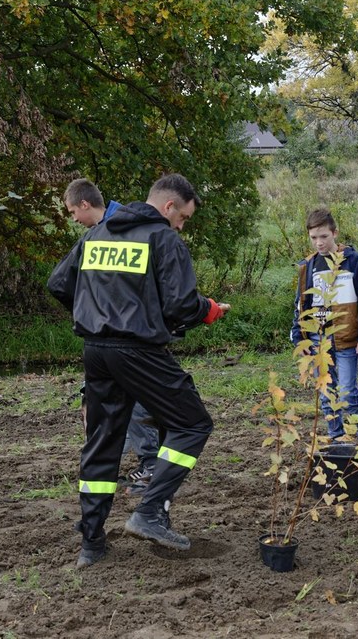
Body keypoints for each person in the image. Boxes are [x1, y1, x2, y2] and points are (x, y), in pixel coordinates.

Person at [48, 173, 230, 569]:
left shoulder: (97, 235)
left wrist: (96, 310)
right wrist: (210, 310)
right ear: (168, 206)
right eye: (183, 217)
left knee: (102, 441)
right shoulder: (163, 239)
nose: (181, 226)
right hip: (137, 350)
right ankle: (150, 512)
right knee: (192, 424)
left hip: (95, 350)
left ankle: (91, 544)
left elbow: (59, 284)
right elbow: (181, 305)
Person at [66, 178, 159, 493]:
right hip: (113, 334)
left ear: (85, 204)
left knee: (137, 400)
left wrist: (88, 311)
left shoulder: (116, 232)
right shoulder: (104, 231)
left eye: (73, 212)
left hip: (129, 336)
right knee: (109, 401)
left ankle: (149, 463)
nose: (73, 219)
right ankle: (118, 464)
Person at [290, 208, 358, 441]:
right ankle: (336, 440)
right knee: (326, 393)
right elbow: (301, 305)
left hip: (346, 338)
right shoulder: (308, 266)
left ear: (335, 233)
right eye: (314, 237)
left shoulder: (352, 260)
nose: (319, 243)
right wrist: (299, 337)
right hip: (318, 339)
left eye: (324, 236)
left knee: (348, 393)